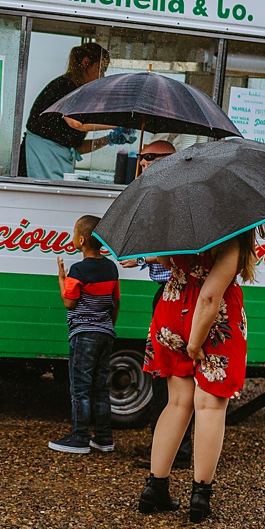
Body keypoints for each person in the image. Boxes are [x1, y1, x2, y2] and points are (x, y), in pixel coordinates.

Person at [136, 226, 264, 523]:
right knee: (209, 407)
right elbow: (209, 298)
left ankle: (155, 488)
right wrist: (195, 344)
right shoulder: (233, 233)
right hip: (213, 321)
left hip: (172, 306)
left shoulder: (182, 221)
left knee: (177, 402)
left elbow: (166, 262)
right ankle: (200, 498)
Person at [116, 139, 192, 469]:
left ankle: (174, 452)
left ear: (167, 160)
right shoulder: (164, 195)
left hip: (177, 295)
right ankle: (164, 446)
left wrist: (146, 256)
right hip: (168, 293)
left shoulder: (175, 198)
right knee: (166, 376)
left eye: (148, 157)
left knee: (171, 376)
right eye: (141, 156)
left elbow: (179, 253)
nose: (142, 161)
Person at [48, 215, 120, 454]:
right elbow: (115, 301)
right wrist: (108, 325)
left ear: (80, 240)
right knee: (100, 387)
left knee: (80, 387)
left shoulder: (78, 270)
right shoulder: (111, 267)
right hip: (105, 333)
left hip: (83, 334)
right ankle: (103, 438)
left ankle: (79, 437)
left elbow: (69, 302)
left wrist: (61, 279)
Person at [19, 43, 117, 180]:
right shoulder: (65, 88)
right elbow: (77, 124)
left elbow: (74, 147)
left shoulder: (79, 93)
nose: (102, 76)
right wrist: (118, 123)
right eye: (101, 70)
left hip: (53, 162)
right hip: (37, 160)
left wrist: (109, 139)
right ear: (85, 62)